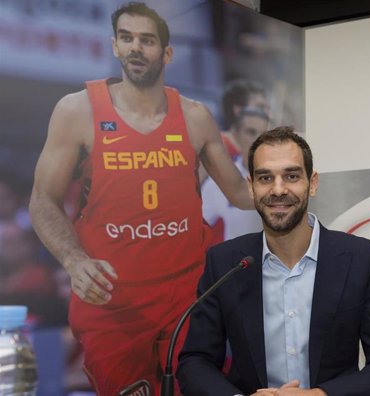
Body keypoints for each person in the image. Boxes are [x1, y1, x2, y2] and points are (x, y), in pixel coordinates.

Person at [28, 2, 252, 395]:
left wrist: (288, 184)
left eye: (147, 41)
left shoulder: (195, 116)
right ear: (115, 46)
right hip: (113, 305)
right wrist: (74, 261)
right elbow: (42, 200)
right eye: (127, 38)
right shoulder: (76, 111)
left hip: (186, 299)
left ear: (166, 53)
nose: (136, 47)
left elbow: (239, 192)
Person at [178, 127, 370, 395]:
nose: (278, 190)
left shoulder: (362, 260)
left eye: (291, 176)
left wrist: (319, 395)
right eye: (265, 178)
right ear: (251, 187)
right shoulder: (225, 263)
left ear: (312, 183)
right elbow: (195, 363)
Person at [201, 106, 269, 240]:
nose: (258, 139)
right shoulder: (219, 181)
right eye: (251, 132)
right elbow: (196, 226)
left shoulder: (285, 179)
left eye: (264, 133)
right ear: (236, 136)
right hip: (238, 260)